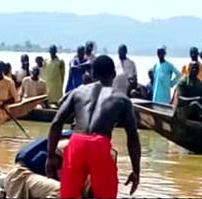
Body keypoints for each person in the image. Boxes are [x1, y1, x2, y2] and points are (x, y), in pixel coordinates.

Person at [46, 55, 141, 198]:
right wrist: (136, 171)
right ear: (114, 75)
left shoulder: (78, 91)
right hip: (99, 145)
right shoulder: (122, 99)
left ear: (92, 73)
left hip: (76, 143)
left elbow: (56, 123)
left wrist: (51, 155)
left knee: (68, 195)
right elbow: (133, 137)